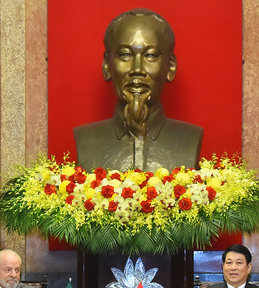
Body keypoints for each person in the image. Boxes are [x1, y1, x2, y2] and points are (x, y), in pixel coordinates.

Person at [74, 8, 203, 172]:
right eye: (125, 55)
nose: (137, 69)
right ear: (107, 66)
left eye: (150, 56)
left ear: (170, 67)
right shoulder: (86, 139)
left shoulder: (190, 138)